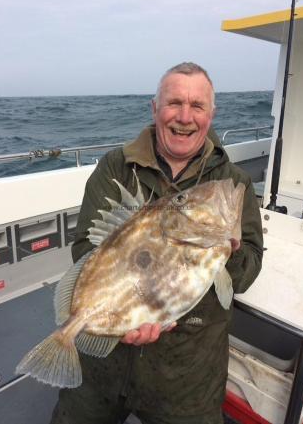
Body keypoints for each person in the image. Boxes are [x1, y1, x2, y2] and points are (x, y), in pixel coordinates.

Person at [50, 62, 263, 424]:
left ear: (211, 115)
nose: (184, 117)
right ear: (154, 108)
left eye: (197, 106)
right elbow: (87, 247)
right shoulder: (116, 167)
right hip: (102, 370)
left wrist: (229, 254)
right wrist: (120, 312)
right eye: (174, 103)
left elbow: (245, 273)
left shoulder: (233, 182)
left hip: (187, 376)